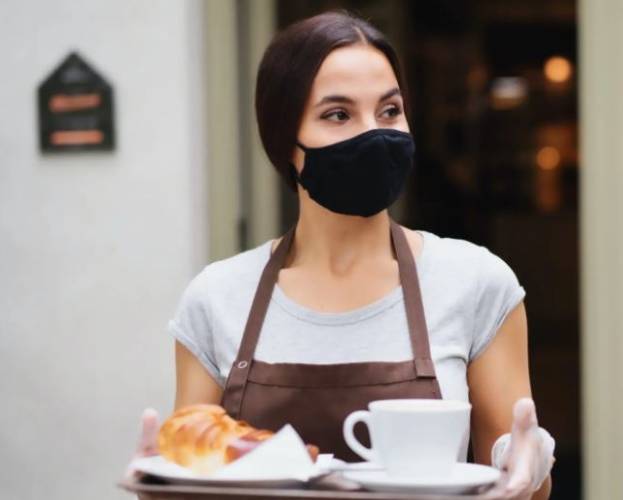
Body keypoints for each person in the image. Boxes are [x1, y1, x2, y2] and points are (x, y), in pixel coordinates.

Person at [128, 10, 554, 499]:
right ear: (284, 143)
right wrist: (157, 489)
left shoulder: (476, 283)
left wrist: (530, 469)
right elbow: (192, 479)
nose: (373, 133)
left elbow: (519, 481)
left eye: (390, 111)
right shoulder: (217, 298)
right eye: (338, 114)